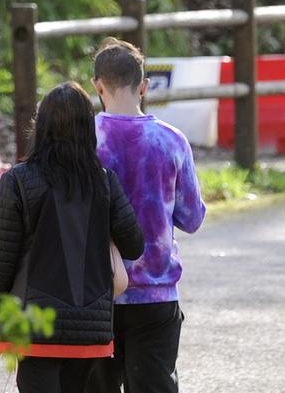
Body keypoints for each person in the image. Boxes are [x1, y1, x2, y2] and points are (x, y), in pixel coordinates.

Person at [0, 82, 146, 393]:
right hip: (90, 332)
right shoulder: (104, 182)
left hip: (36, 330)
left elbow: (0, 265)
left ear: (40, 126)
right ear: (88, 128)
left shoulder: (17, 181)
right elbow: (134, 245)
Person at [87, 39, 206, 393]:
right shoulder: (171, 141)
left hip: (95, 292)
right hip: (156, 293)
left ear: (98, 85)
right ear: (144, 86)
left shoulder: (84, 139)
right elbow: (191, 218)